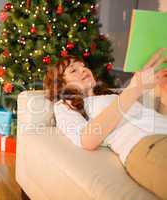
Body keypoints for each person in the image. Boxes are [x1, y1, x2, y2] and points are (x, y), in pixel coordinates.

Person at [43, 48, 167, 200]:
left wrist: (164, 95)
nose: (83, 69)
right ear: (61, 84)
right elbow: (87, 140)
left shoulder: (111, 96)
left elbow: (153, 119)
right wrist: (133, 90)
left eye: (83, 66)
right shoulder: (65, 105)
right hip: (148, 144)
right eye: (73, 70)